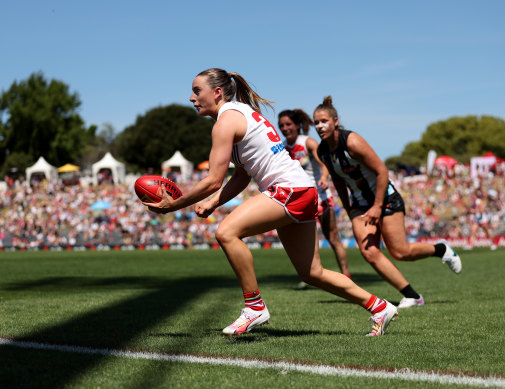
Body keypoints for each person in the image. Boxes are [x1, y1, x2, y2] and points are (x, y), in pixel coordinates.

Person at [144, 68, 397, 337]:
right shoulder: (240, 113)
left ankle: (254, 307)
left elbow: (214, 179)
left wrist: (174, 204)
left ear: (217, 92)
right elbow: (241, 176)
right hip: (300, 189)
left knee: (227, 232)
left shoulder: (225, 121)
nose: (192, 98)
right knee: (312, 272)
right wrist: (214, 203)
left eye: (197, 91)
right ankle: (379, 307)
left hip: (288, 190)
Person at [313, 96, 462, 309]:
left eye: (324, 121)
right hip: (360, 205)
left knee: (401, 252)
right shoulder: (323, 152)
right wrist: (350, 211)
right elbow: (338, 181)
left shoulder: (352, 141)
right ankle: (412, 296)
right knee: (369, 252)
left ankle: (440, 249)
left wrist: (377, 206)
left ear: (335, 121)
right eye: (316, 122)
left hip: (385, 198)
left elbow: (382, 171)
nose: (320, 126)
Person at [278, 109, 351, 290]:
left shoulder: (307, 142)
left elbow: (324, 163)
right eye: (281, 125)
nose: (285, 128)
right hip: (300, 200)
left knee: (333, 238)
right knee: (305, 243)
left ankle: (347, 277)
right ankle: (310, 275)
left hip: (320, 196)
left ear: (297, 125)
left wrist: (324, 178)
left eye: (288, 124)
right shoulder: (281, 146)